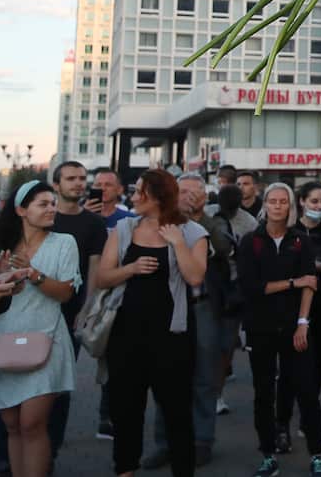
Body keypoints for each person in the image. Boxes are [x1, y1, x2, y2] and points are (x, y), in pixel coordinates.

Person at [95, 170, 207, 477]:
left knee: (177, 413)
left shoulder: (192, 231)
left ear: (156, 196)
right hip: (125, 335)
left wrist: (177, 243)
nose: (131, 197)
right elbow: (102, 277)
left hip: (172, 337)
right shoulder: (123, 228)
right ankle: (125, 470)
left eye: (138, 192)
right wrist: (130, 268)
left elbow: (195, 276)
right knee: (125, 412)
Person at [0, 181, 80, 477]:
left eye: (53, 203)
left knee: (32, 424)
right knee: (12, 425)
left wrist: (34, 274)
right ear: (21, 210)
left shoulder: (64, 243)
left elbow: (65, 294)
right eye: (43, 204)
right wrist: (4, 279)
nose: (52, 208)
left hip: (47, 339)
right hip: (5, 342)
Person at [236, 183, 321, 477]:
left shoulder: (300, 241)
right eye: (272, 201)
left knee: (306, 390)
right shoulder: (251, 242)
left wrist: (303, 323)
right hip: (260, 328)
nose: (277, 206)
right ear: (266, 205)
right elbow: (251, 288)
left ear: (290, 206)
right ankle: (268, 455)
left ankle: (316, 455)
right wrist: (292, 283)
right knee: (264, 393)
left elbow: (310, 284)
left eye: (282, 201)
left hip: (294, 328)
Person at [142, 175, 223, 469]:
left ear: (203, 196)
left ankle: (202, 440)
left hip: (201, 307)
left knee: (203, 377)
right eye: (182, 191)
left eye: (193, 192)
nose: (187, 196)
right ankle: (165, 443)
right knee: (168, 377)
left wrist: (200, 217)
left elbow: (224, 248)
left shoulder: (214, 221)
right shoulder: (160, 223)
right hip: (168, 307)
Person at [276, 181, 321, 455]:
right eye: (314, 202)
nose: (319, 207)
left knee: (314, 370)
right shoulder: (291, 233)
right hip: (291, 310)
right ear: (301, 202)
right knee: (287, 373)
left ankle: (309, 425)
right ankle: (281, 426)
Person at [210, 184, 257, 418]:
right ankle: (207, 392)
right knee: (207, 343)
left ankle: (217, 394)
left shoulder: (249, 224)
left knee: (225, 344)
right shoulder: (209, 215)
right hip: (208, 288)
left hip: (233, 290)